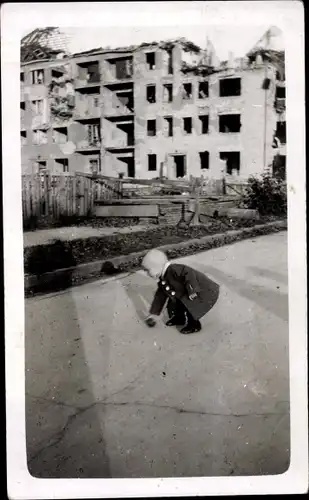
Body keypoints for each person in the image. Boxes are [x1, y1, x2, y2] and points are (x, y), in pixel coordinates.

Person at [142, 249, 220, 334]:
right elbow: (160, 296)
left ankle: (194, 325)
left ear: (156, 266)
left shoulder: (174, 269)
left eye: (148, 270)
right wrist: (154, 313)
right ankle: (179, 318)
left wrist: (192, 290)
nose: (147, 274)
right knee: (176, 302)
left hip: (203, 290)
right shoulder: (163, 278)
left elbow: (189, 273)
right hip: (187, 292)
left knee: (190, 306)